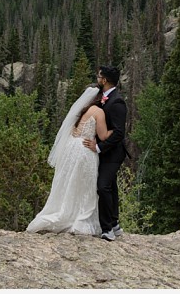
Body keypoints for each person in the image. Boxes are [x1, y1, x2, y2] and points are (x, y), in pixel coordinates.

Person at [26, 84, 115, 235]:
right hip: (85, 150)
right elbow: (103, 135)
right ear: (100, 97)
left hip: (72, 147)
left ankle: (65, 212)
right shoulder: (98, 112)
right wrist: (116, 130)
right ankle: (78, 218)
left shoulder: (83, 110)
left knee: (69, 183)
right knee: (84, 186)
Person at [83, 65, 127, 242]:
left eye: (99, 76)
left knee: (103, 186)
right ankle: (115, 224)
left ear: (105, 80)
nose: (97, 78)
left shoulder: (117, 102)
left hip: (113, 153)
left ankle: (106, 228)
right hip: (103, 152)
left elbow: (118, 133)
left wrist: (99, 147)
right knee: (111, 186)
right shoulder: (103, 98)